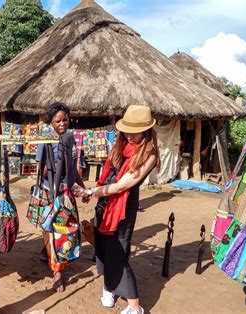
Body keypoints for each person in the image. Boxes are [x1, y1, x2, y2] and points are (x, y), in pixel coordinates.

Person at [79, 105, 160, 314]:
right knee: (103, 249)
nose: (130, 136)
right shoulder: (120, 145)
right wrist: (94, 193)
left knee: (118, 253)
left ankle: (135, 306)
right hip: (105, 203)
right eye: (127, 130)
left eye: (135, 132)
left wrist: (92, 191)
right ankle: (109, 288)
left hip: (122, 208)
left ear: (147, 130)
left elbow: (121, 186)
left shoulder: (150, 154)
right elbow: (108, 175)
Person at [35, 102, 86, 292]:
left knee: (64, 230)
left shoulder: (70, 139)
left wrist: (82, 188)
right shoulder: (45, 141)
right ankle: (57, 273)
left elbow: (73, 168)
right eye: (58, 121)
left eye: (65, 119)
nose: (63, 124)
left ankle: (50, 254)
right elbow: (39, 170)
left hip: (66, 193)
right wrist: (45, 190)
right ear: (51, 122)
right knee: (52, 229)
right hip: (51, 193)